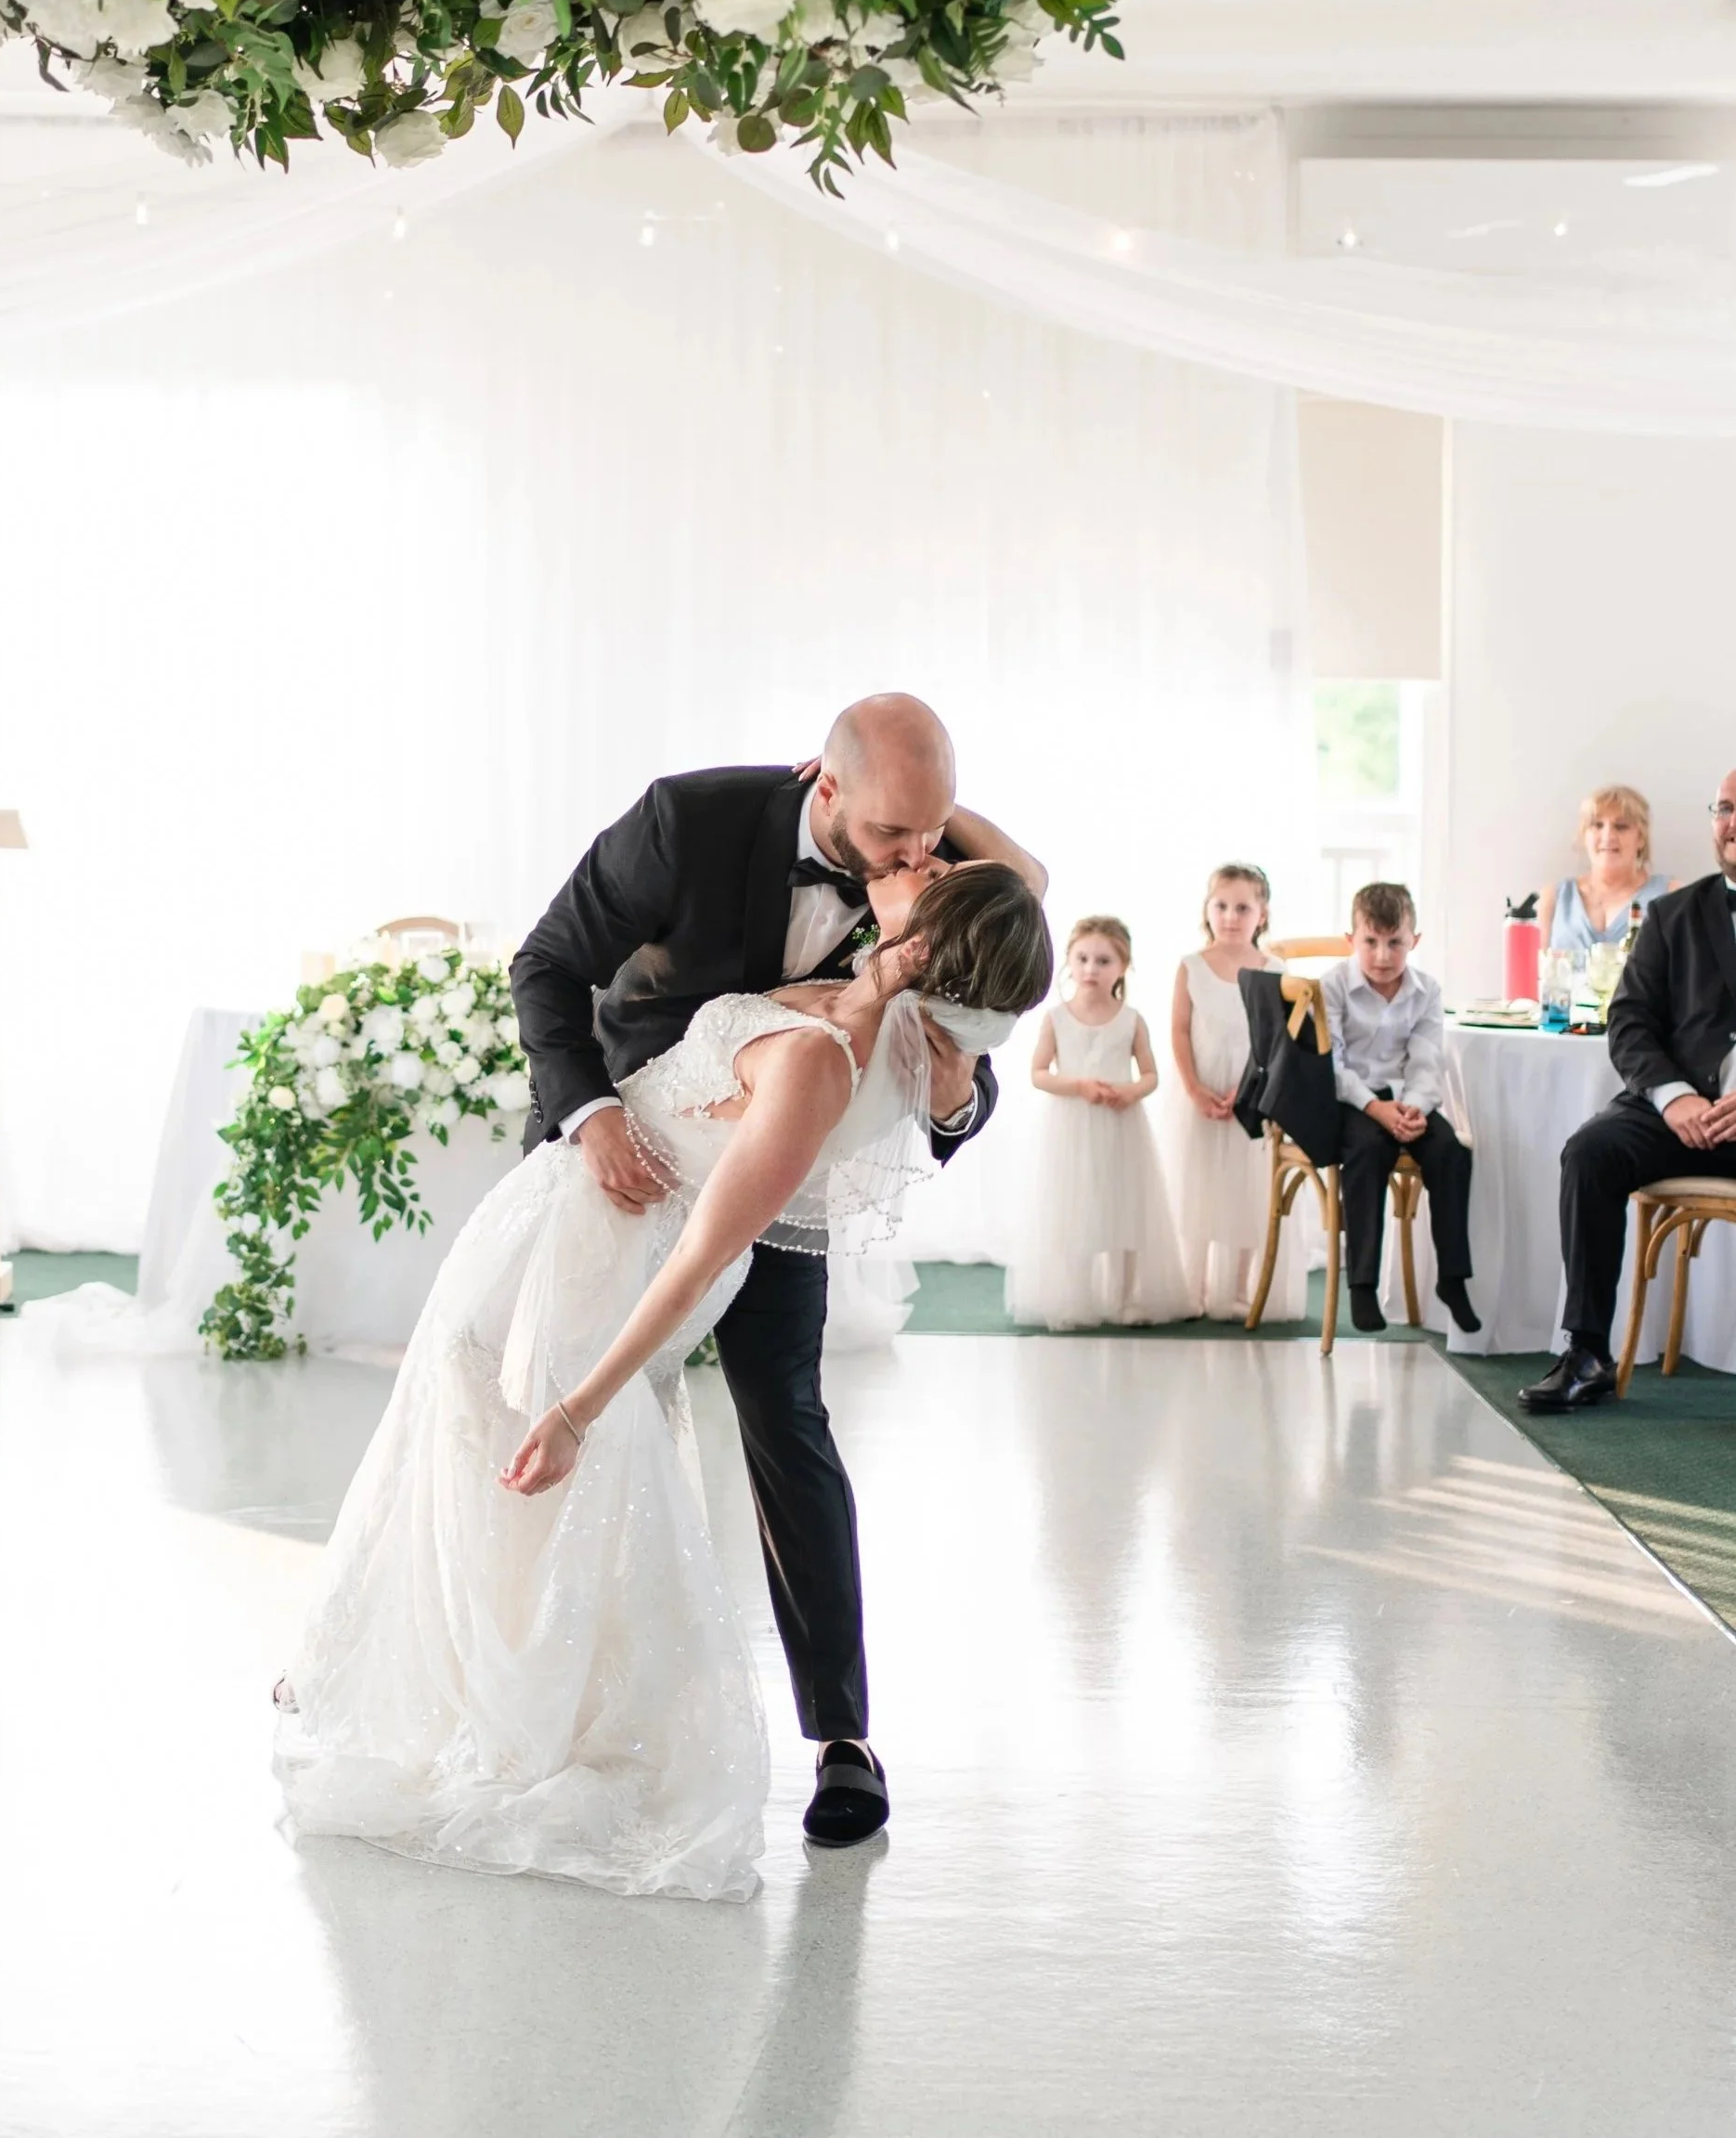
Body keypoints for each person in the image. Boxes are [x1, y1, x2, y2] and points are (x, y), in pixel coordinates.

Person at [275, 858, 1053, 1900]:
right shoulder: (880, 1020)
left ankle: (466, 1711)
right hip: (569, 1199)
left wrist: (576, 1410)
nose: (921, 858)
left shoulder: (830, 1060)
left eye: (932, 871)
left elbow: (694, 1261)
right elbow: (1016, 891)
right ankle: (405, 1674)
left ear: (920, 952)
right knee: (456, 1450)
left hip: (595, 1259)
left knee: (501, 1452)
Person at [502, 693, 1046, 1853]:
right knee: (496, 1386)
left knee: (786, 1421)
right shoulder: (687, 823)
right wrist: (590, 1114)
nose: (922, 857)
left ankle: (842, 1733)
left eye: (938, 830)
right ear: (828, 786)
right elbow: (546, 964)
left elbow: (981, 1002)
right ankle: (436, 1651)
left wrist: (955, 1095)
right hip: (635, 1133)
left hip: (777, 1170)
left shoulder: (927, 868)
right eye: (899, 833)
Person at [1522, 767, 1736, 1414]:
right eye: (1725, 807)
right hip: (1679, 1110)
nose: (1733, 823)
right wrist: (1676, 1098)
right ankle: (1586, 1353)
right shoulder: (1674, 914)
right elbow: (1631, 1020)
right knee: (1590, 1152)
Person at [1010, 915, 1190, 1328]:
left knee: (1125, 1211)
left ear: (1123, 967)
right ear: (1069, 962)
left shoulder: (1132, 1020)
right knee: (1076, 1214)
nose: (1091, 968)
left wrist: (1130, 1091)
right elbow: (1039, 1074)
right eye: (1083, 958)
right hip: (1072, 1130)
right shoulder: (1056, 1018)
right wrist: (1078, 1086)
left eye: (1104, 960)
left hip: (1121, 1130)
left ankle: (1126, 1299)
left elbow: (1151, 1075)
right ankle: (1077, 1299)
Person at [1319, 882, 1480, 1338]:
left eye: (1396, 943)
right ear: (1351, 941)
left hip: (1409, 1099)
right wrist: (1377, 1109)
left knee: (1452, 1152)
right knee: (1369, 1152)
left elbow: (1429, 1060)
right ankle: (1363, 1283)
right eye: (1371, 942)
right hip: (1353, 1099)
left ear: (1415, 941)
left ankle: (1452, 1278)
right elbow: (1332, 1067)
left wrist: (1414, 1109)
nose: (1383, 955)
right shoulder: (1332, 987)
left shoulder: (1426, 991)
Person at [1166, 862, 1300, 1319]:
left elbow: (1280, 1040)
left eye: (1243, 907)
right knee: (1200, 1187)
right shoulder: (1191, 966)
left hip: (1254, 1097)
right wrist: (1195, 1089)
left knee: (1248, 1191)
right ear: (1208, 909)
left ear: (1262, 914)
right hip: (1202, 1095)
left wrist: (1254, 1092)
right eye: (1221, 905)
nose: (1230, 916)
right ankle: (1193, 1285)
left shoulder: (1275, 969)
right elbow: (1180, 1033)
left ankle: (1241, 1286)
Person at [1547, 784, 1671, 965]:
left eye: (1621, 827)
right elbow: (1532, 978)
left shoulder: (1670, 895)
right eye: (1597, 825)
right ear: (1584, 835)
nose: (1608, 835)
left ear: (1641, 838)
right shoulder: (1553, 898)